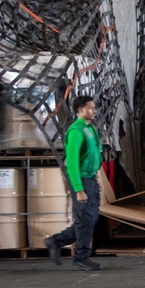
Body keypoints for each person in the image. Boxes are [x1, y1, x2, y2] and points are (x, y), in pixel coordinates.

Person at [45, 95, 104, 271]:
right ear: (80, 110)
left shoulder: (90, 129)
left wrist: (97, 178)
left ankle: (56, 241)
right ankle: (81, 258)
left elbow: (94, 155)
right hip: (81, 181)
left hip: (90, 178)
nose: (94, 111)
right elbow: (71, 164)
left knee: (90, 219)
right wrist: (78, 189)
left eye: (94, 108)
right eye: (90, 108)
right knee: (84, 220)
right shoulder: (76, 131)